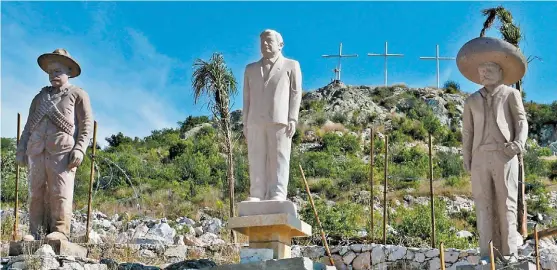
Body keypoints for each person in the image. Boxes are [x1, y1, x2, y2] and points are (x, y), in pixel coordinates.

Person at [458, 37, 528, 261]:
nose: (483, 74)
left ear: (499, 71)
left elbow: (521, 122)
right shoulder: (471, 101)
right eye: (481, 71)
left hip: (504, 154)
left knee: (506, 203)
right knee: (483, 206)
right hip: (479, 156)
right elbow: (467, 132)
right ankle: (486, 254)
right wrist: (466, 157)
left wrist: (518, 144)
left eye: (488, 69)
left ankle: (509, 253)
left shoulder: (510, 94)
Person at [16, 48, 93, 241]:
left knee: (60, 191)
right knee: (35, 193)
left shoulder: (78, 94)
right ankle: (35, 232)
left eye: (57, 71)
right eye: (50, 72)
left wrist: (80, 148)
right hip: (36, 150)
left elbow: (86, 125)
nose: (53, 75)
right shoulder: (39, 98)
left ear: (68, 71)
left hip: (62, 151)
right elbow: (28, 126)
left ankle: (60, 230)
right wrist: (21, 149)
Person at [242, 29, 302, 201]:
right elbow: (246, 97)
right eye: (262, 42)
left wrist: (292, 118)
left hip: (280, 119)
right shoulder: (250, 69)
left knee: (279, 156)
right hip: (255, 120)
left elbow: (295, 93)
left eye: (269, 41)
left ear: (280, 45)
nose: (265, 44)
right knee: (256, 157)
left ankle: (277, 192)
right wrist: (245, 122)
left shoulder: (291, 65)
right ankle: (257, 193)